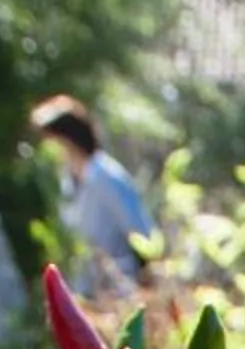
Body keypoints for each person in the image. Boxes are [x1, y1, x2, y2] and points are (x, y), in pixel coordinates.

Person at [29, 94, 153, 296]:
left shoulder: (106, 176)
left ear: (66, 138)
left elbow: (140, 231)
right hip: (89, 291)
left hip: (122, 289)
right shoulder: (66, 180)